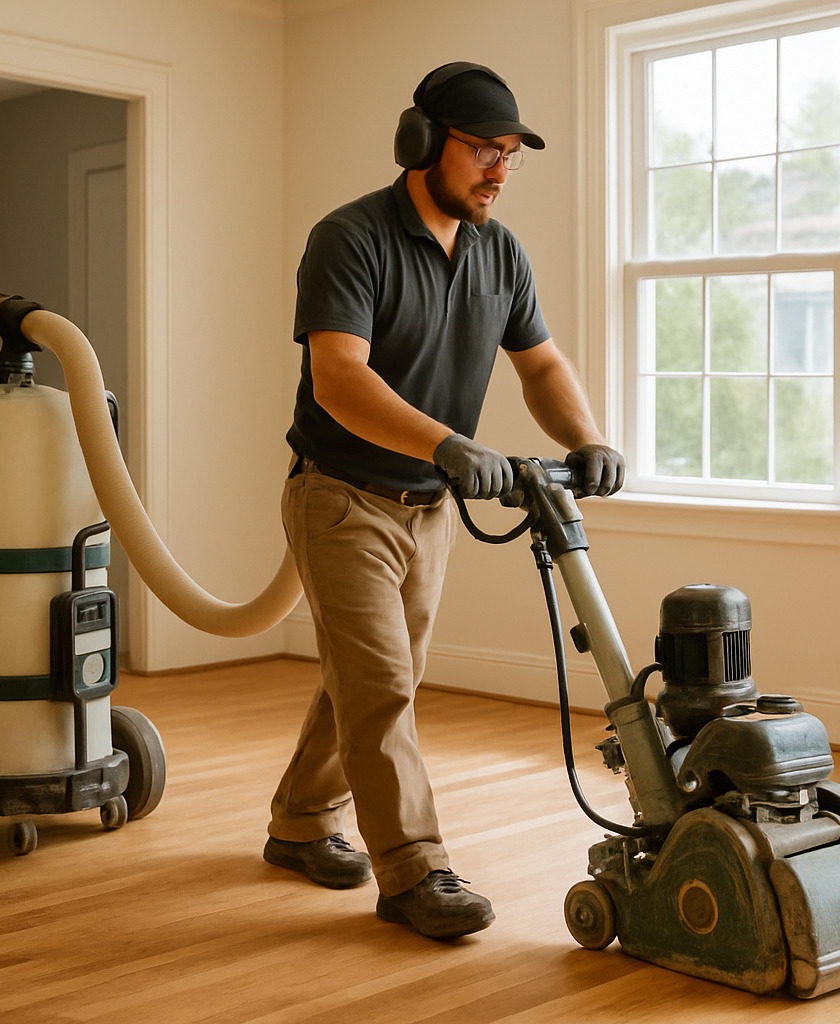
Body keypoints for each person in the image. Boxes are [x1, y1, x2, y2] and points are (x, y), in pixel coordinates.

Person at [264, 61, 625, 939]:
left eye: (511, 155)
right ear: (422, 143)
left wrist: (586, 438)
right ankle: (413, 871)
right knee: (382, 683)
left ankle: (300, 824)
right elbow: (339, 377)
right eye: (482, 150)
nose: (499, 170)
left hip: (430, 507)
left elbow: (538, 364)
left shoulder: (501, 252)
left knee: (374, 680)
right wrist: (447, 442)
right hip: (341, 499)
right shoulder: (350, 237)